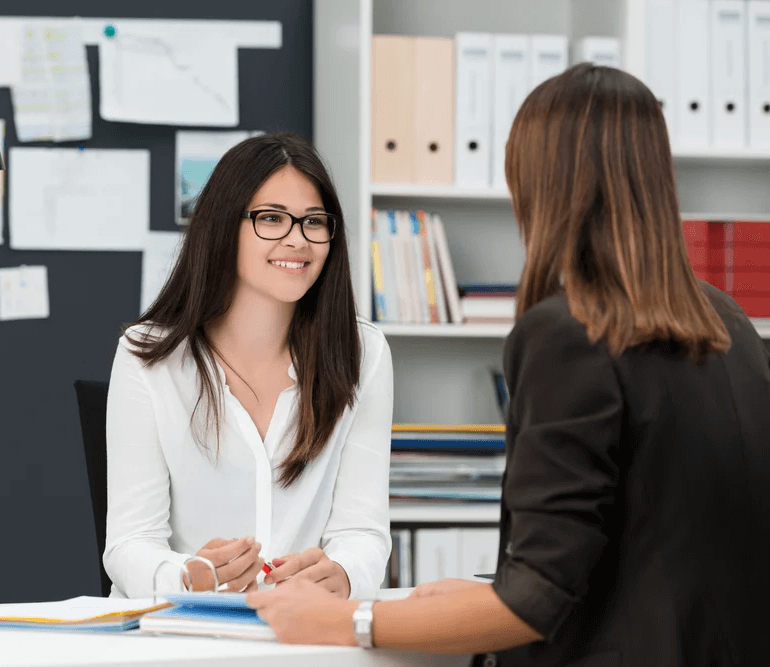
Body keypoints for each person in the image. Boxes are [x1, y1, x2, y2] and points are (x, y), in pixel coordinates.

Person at [247, 64, 770, 665]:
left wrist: (349, 621)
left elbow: (536, 600)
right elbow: (638, 554)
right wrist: (479, 599)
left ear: (538, 183)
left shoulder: (568, 333)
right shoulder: (727, 323)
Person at [104, 132, 394, 601]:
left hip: (304, 632)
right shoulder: (147, 355)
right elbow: (129, 544)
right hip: (181, 636)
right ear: (223, 227)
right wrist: (190, 576)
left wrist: (342, 572)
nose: (298, 240)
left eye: (314, 222)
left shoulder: (363, 352)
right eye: (272, 218)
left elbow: (363, 532)